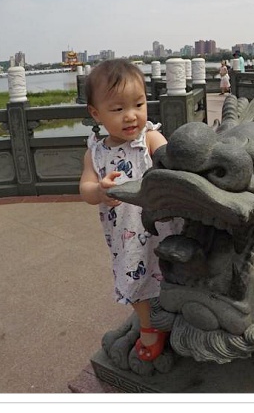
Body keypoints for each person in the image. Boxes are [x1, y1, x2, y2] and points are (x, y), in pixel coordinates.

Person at [79, 59, 182, 362]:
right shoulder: (95, 153)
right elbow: (85, 189)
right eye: (117, 109)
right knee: (135, 280)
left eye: (138, 104)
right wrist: (99, 191)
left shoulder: (149, 138)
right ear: (96, 114)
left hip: (162, 227)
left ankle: (175, 314)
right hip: (125, 237)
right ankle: (150, 326)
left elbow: (172, 164)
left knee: (172, 272)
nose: (131, 116)